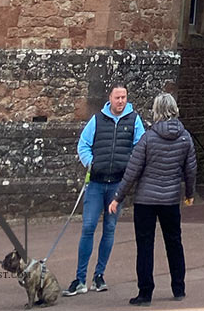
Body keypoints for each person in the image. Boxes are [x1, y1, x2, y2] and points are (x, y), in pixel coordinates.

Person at [110, 93, 196, 306]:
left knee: (145, 245)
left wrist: (117, 197)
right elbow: (191, 170)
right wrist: (189, 194)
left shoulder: (148, 138)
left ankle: (145, 293)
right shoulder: (185, 137)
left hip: (146, 200)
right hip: (170, 199)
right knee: (174, 242)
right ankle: (178, 287)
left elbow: (133, 170)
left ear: (157, 111)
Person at [65, 84, 145, 296]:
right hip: (96, 184)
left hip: (117, 185)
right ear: (110, 97)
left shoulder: (134, 120)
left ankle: (99, 275)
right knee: (88, 227)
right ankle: (80, 278)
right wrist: (91, 164)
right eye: (117, 97)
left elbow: (140, 147)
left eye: (124, 97)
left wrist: (129, 167)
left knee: (109, 229)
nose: (121, 101)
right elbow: (83, 144)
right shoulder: (97, 120)